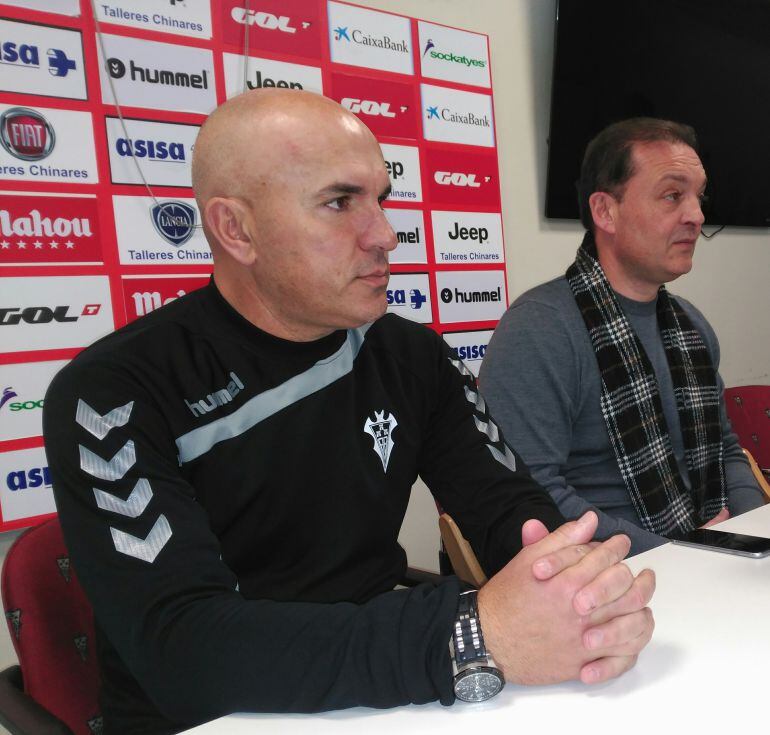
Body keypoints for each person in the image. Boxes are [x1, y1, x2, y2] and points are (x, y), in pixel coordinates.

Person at [43, 91, 654, 735]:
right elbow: (185, 650)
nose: (386, 235)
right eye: (340, 203)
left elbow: (509, 510)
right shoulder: (114, 392)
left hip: (376, 692)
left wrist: (581, 593)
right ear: (236, 230)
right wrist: (473, 635)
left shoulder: (409, 354)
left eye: (381, 199)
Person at [480, 118, 765, 558]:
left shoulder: (692, 326)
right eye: (673, 195)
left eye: (698, 195)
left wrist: (751, 535)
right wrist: (680, 553)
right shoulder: (538, 330)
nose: (697, 214)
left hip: (708, 559)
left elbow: (727, 450)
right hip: (604, 581)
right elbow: (534, 494)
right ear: (605, 212)